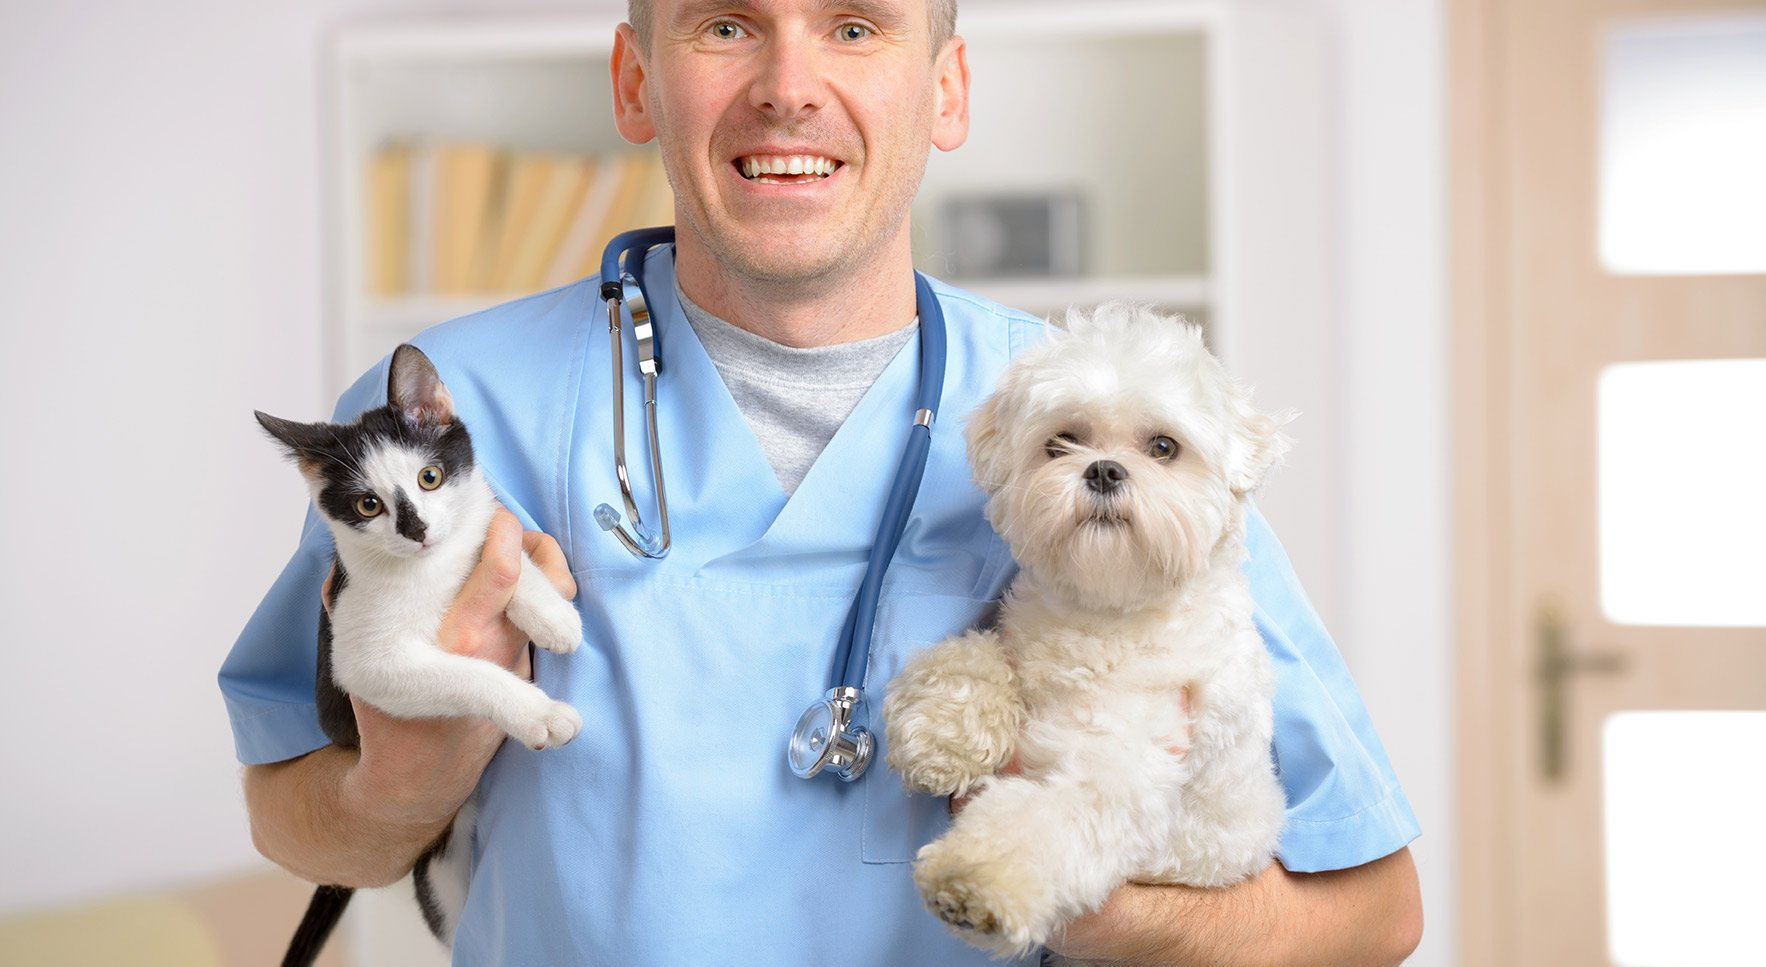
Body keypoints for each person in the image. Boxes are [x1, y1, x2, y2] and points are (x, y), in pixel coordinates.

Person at [222, 0, 1425, 963]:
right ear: (636, 80)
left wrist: (1091, 888)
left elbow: (1374, 913)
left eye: (855, 25)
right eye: (725, 25)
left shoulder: (1100, 422)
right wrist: (397, 790)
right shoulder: (452, 413)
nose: (786, 85)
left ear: (944, 88)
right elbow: (287, 804)